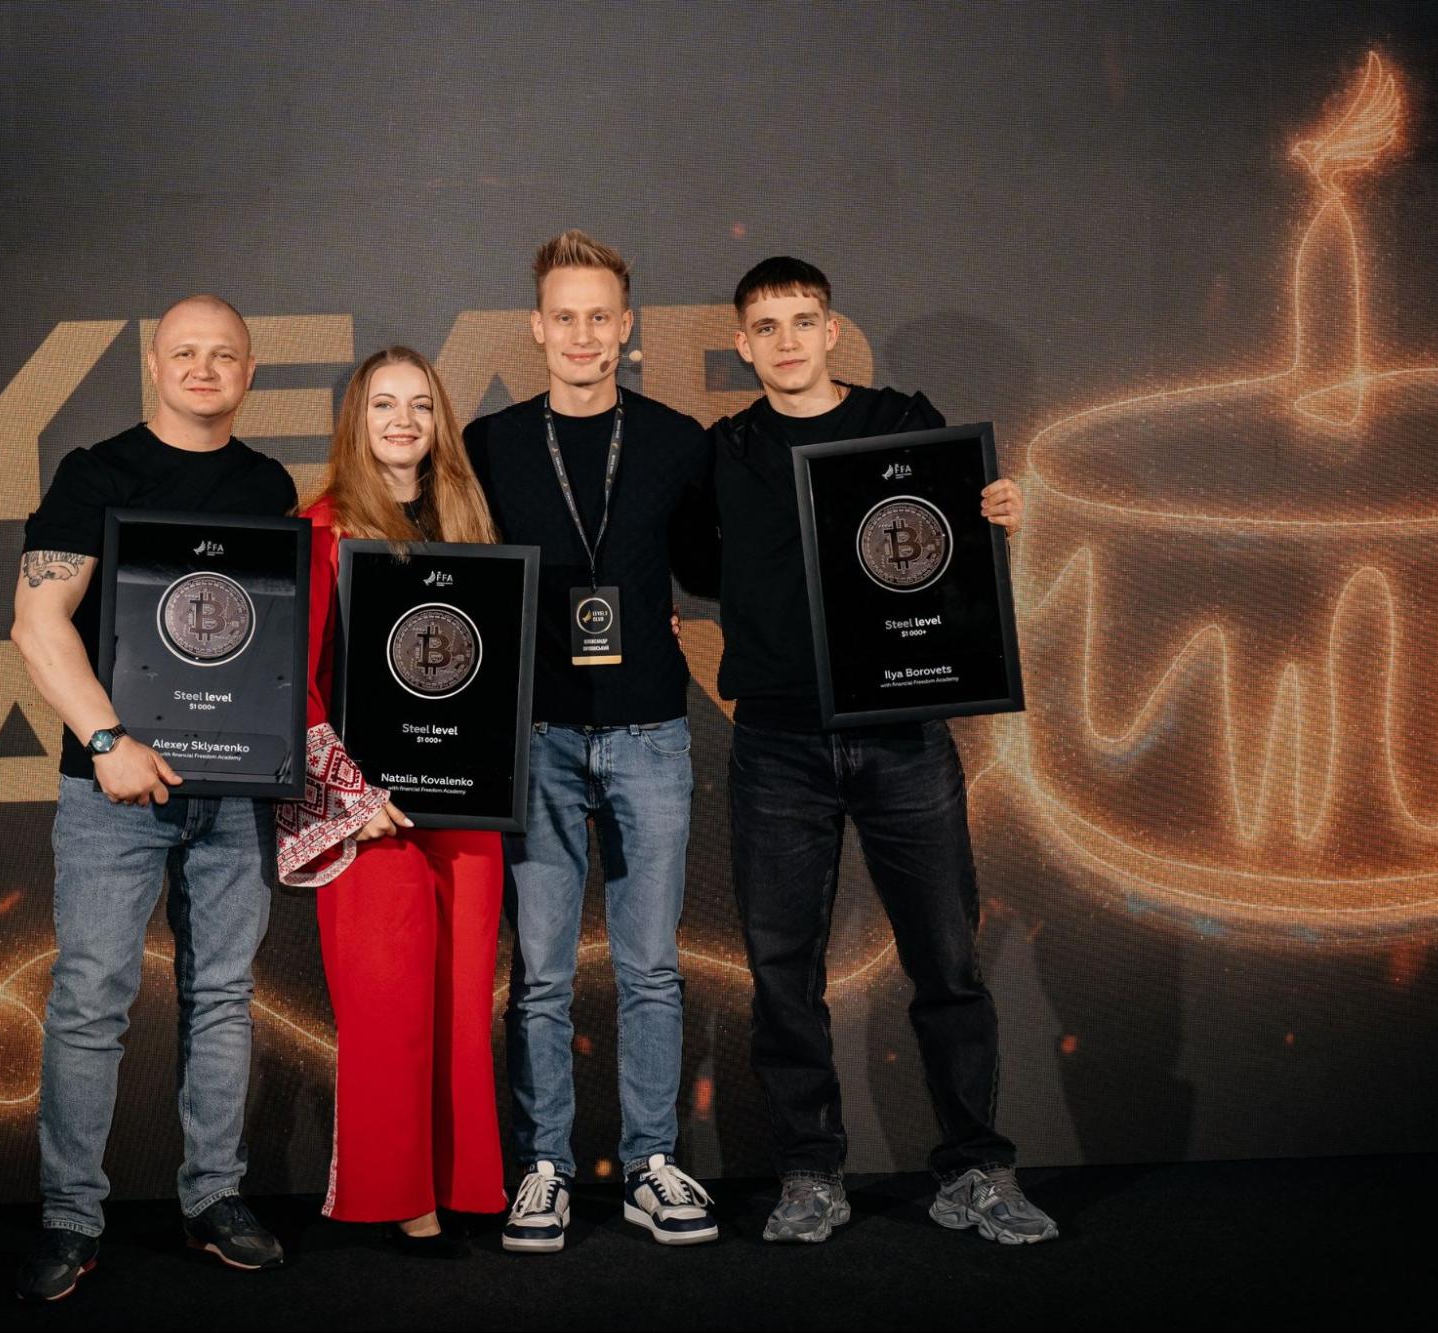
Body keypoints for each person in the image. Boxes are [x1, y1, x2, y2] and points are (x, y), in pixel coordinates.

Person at [679, 256, 1057, 1245]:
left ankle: (975, 1168)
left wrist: (996, 515)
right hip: (775, 740)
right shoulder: (726, 450)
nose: (788, 340)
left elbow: (943, 544)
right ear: (742, 342)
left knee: (945, 960)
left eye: (804, 320)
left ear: (833, 328)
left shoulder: (899, 421)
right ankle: (810, 1172)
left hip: (902, 734)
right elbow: (693, 566)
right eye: (766, 325)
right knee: (782, 971)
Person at [9, 296, 297, 1300]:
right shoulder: (98, 472)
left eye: (224, 354)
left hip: (235, 787)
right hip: (114, 787)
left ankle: (213, 1198)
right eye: (186, 352)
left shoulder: (268, 485)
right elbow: (37, 621)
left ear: (249, 371)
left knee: (222, 994)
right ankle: (68, 1215)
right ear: (154, 365)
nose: (204, 367)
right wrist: (107, 739)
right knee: (91, 996)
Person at [465, 230, 718, 1250]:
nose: (582, 334)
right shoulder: (488, 444)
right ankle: (545, 1167)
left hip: (651, 729)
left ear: (626, 327)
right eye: (562, 317)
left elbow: (717, 565)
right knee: (539, 972)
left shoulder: (675, 439)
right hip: (535, 735)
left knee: (651, 967)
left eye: (599, 316)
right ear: (537, 329)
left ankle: (653, 1162)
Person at [276, 347, 508, 1256]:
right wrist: (349, 793)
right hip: (370, 809)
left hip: (468, 805)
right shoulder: (324, 525)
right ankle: (395, 1188)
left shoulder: (467, 520)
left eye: (419, 404)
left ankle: (461, 1181)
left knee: (459, 1003)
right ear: (355, 419)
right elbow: (291, 682)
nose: (403, 419)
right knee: (387, 1007)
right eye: (383, 404)